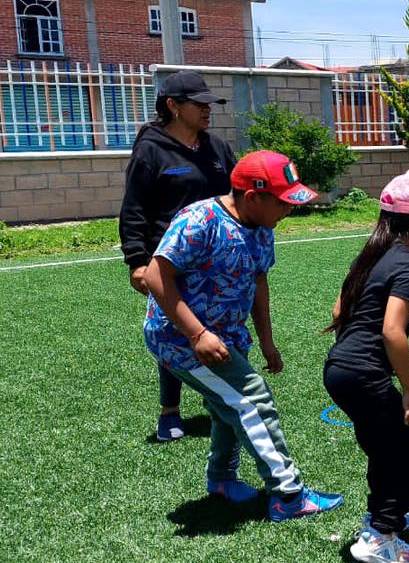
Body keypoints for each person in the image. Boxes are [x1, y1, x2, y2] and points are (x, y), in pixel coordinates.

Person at [142, 150, 344, 521]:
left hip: (227, 336)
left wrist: (267, 341)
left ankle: (221, 479)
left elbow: (258, 280)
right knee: (252, 399)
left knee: (228, 406)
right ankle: (288, 494)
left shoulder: (262, 228)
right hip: (179, 338)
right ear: (253, 197)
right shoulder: (200, 220)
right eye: (284, 202)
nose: (289, 210)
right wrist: (197, 334)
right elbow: (155, 276)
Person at [324, 168, 409, 563]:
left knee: (384, 449)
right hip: (365, 374)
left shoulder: (371, 255)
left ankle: (382, 517)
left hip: (339, 370)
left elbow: (338, 311)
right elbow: (392, 332)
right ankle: (380, 536)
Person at [120, 70, 237, 442]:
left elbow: (237, 197)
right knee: (175, 331)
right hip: (170, 262)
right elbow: (134, 208)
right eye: (198, 104)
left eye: (209, 103)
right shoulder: (150, 149)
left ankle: (219, 397)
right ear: (172, 106)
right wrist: (137, 261)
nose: (207, 110)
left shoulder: (217, 148)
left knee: (221, 326)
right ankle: (169, 411)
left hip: (218, 261)